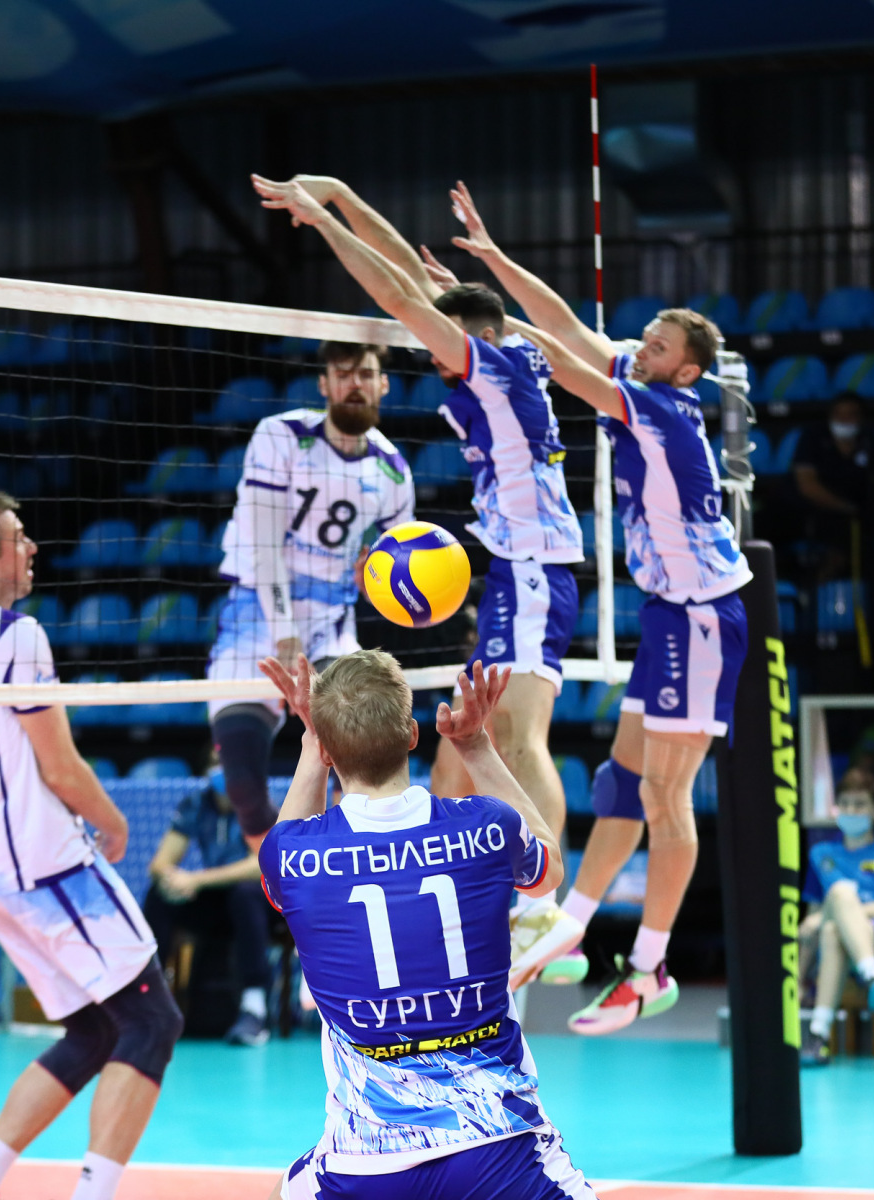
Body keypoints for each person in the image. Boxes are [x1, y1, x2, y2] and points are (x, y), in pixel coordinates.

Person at [251, 173, 587, 987]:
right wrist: (338, 191)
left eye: (442, 343)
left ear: (473, 335)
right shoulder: (510, 353)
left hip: (533, 569)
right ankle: (482, 916)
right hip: (517, 569)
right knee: (459, 759)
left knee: (518, 737)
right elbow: (412, 275)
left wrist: (320, 218)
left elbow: (397, 294)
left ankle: (546, 913)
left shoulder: (493, 368)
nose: (432, 359)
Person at [443, 179, 751, 1033]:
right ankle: (569, 926)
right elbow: (567, 329)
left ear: (685, 369)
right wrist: (492, 263)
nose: (639, 346)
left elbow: (564, 364)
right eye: (644, 338)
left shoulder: (661, 410)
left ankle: (649, 968)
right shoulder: (645, 380)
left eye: (656, 344)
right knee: (620, 782)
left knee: (666, 798)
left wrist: (480, 329)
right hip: (666, 614)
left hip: (703, 616)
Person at [257, 649, 593, 1200]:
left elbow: (287, 846)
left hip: (365, 1164)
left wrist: (312, 743)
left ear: (328, 749)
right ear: (413, 734)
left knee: (286, 1190)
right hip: (500, 1146)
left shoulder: (292, 857)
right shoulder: (487, 826)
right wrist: (476, 746)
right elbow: (548, 868)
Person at [0, 493, 182, 1200]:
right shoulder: (18, 634)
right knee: (152, 1020)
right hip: (44, 864)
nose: (33, 547)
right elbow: (61, 767)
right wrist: (115, 823)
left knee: (92, 1032)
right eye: (18, 537)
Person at [205, 337, 414, 852]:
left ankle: (354, 862)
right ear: (323, 384)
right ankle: (279, 879)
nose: (354, 384)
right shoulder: (281, 435)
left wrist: (374, 581)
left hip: (331, 620)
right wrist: (284, 632)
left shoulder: (393, 470)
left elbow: (388, 575)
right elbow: (262, 543)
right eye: (342, 374)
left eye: (365, 374)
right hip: (257, 612)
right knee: (243, 785)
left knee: (360, 757)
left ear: (384, 384)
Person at [143, 770, 272, 1046]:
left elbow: (260, 864)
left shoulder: (261, 806)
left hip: (260, 905)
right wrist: (173, 879)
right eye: (216, 761)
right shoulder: (196, 803)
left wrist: (196, 880)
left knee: (246, 893)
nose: (223, 767)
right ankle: (148, 998)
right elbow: (159, 863)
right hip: (214, 902)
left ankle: (254, 1006)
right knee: (159, 895)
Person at [797, 768, 874, 1066]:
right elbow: (812, 923)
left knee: (840, 895)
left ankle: (872, 975)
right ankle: (820, 1033)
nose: (851, 811)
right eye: (845, 804)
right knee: (831, 931)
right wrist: (798, 977)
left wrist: (842, 908)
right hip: (839, 947)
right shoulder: (821, 855)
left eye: (860, 804)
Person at [791, 394, 874, 570]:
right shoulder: (813, 438)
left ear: (861, 418)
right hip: (817, 511)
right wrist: (847, 508)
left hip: (859, 516)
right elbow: (808, 486)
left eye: (851, 414)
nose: (844, 420)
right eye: (838, 414)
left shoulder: (870, 442)